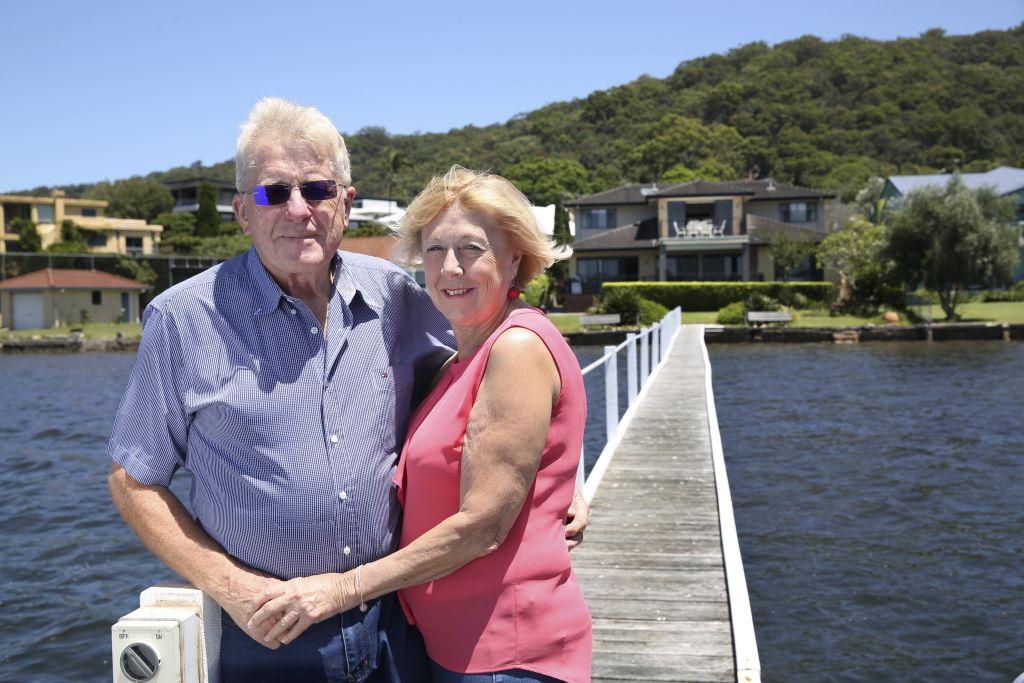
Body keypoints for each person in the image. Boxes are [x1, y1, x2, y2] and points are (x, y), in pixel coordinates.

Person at [107, 98, 588, 682]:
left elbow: (496, 379)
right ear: (241, 211)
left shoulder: (393, 295)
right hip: (273, 637)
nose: (297, 210)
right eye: (272, 193)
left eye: (316, 189)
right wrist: (229, 587)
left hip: (396, 624)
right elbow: (133, 480)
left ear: (345, 203)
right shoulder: (183, 319)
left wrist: (557, 477)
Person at [247, 167, 592, 682]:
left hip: (506, 653)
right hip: (456, 647)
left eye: (472, 248)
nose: (450, 268)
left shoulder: (516, 348)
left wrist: (340, 590)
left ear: (514, 255)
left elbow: (480, 528)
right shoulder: (459, 359)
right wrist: (561, 485)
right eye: (434, 250)